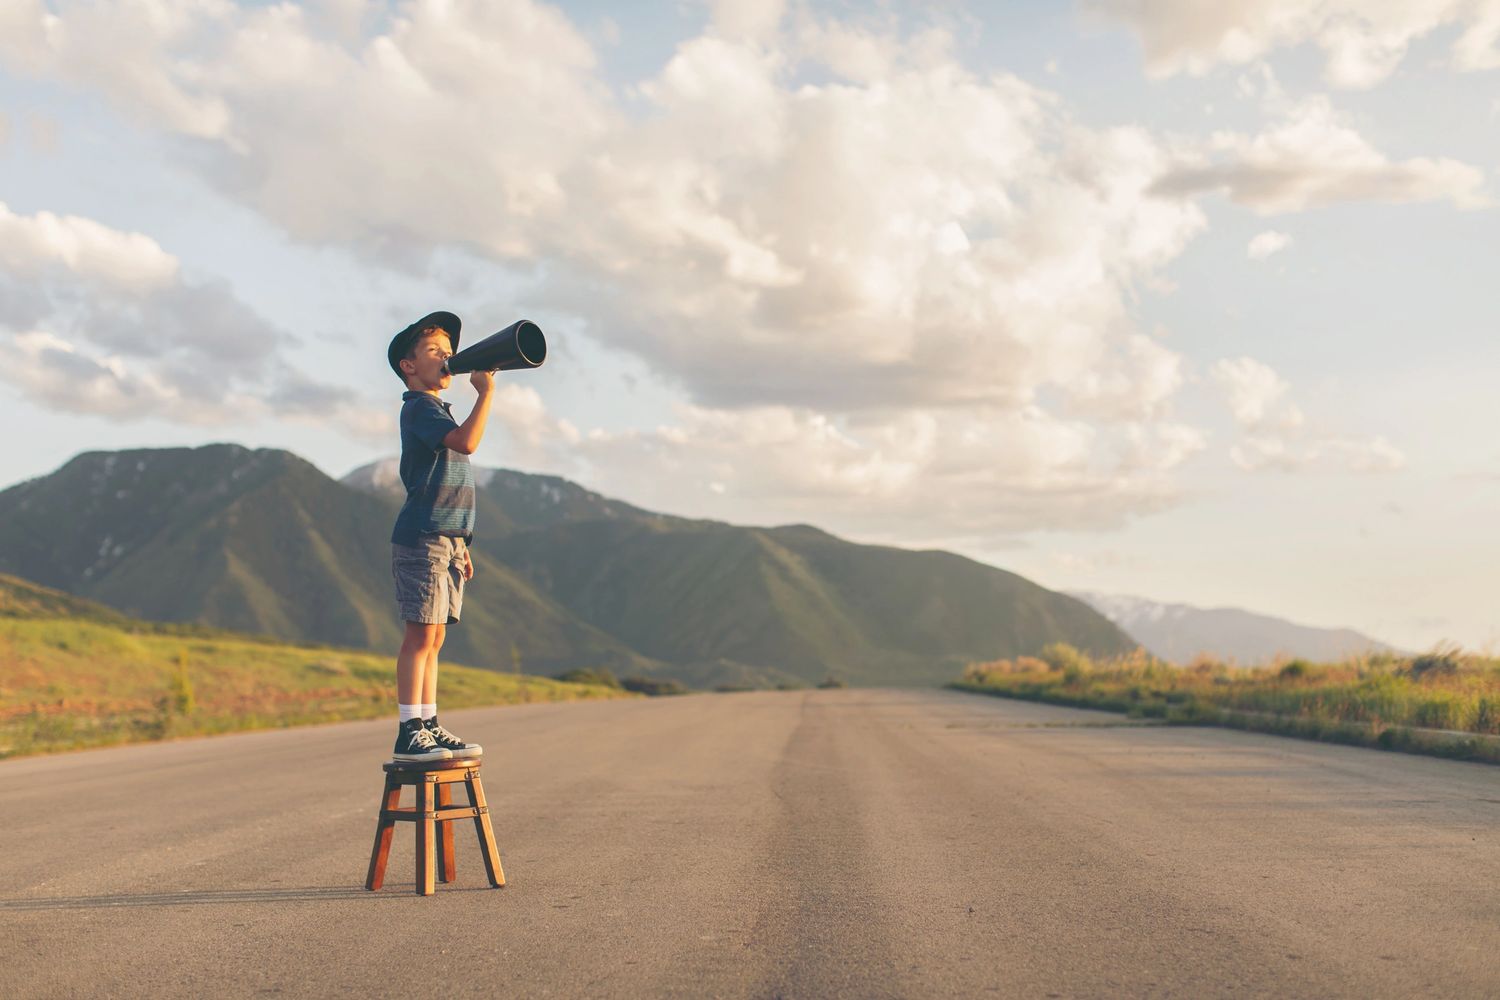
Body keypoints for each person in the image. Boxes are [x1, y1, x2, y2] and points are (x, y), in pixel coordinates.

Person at [385, 310, 492, 762]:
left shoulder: (436, 409)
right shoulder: (421, 408)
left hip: (446, 539)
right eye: (435, 351)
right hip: (423, 537)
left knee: (435, 639)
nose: (447, 359)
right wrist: (486, 394)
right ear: (409, 366)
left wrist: (462, 543)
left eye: (450, 353)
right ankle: (410, 729)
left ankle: (427, 723)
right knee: (419, 636)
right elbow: (467, 443)